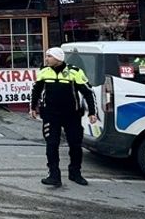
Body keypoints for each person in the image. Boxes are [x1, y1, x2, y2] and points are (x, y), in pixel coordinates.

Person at [30, 47, 98, 187]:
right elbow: (36, 90)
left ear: (58, 58)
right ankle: (54, 175)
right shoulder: (44, 72)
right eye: (46, 56)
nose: (46, 58)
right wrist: (32, 107)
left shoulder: (74, 72)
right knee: (52, 144)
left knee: (75, 144)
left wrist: (92, 112)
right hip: (50, 115)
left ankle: (75, 173)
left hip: (71, 115)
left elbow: (88, 92)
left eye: (49, 56)